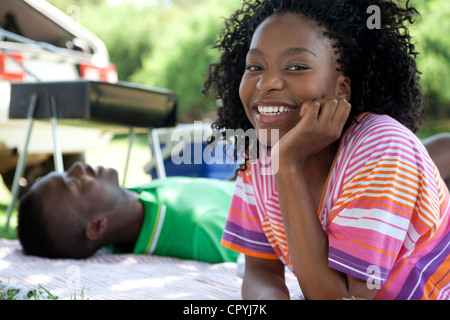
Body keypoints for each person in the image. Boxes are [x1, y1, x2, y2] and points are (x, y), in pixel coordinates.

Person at [203, 0, 450, 300]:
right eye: (255, 67)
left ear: (341, 88)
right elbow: (260, 271)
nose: (266, 82)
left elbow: (341, 297)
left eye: (296, 66)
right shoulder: (259, 158)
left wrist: (287, 165)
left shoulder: (382, 149)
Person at [17, 161, 239, 264]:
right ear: (96, 226)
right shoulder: (199, 229)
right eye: (74, 182)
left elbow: (220, 192)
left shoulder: (136, 197)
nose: (77, 166)